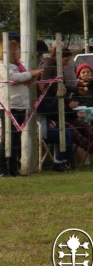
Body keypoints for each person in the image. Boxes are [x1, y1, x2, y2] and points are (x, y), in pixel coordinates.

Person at [0, 39, 44, 176]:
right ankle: (2, 168)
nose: (19, 52)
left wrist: (31, 75)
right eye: (17, 49)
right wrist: (31, 74)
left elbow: (22, 78)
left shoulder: (19, 66)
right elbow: (13, 78)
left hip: (20, 105)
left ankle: (14, 168)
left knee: (16, 139)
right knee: (7, 139)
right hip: (9, 106)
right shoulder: (3, 66)